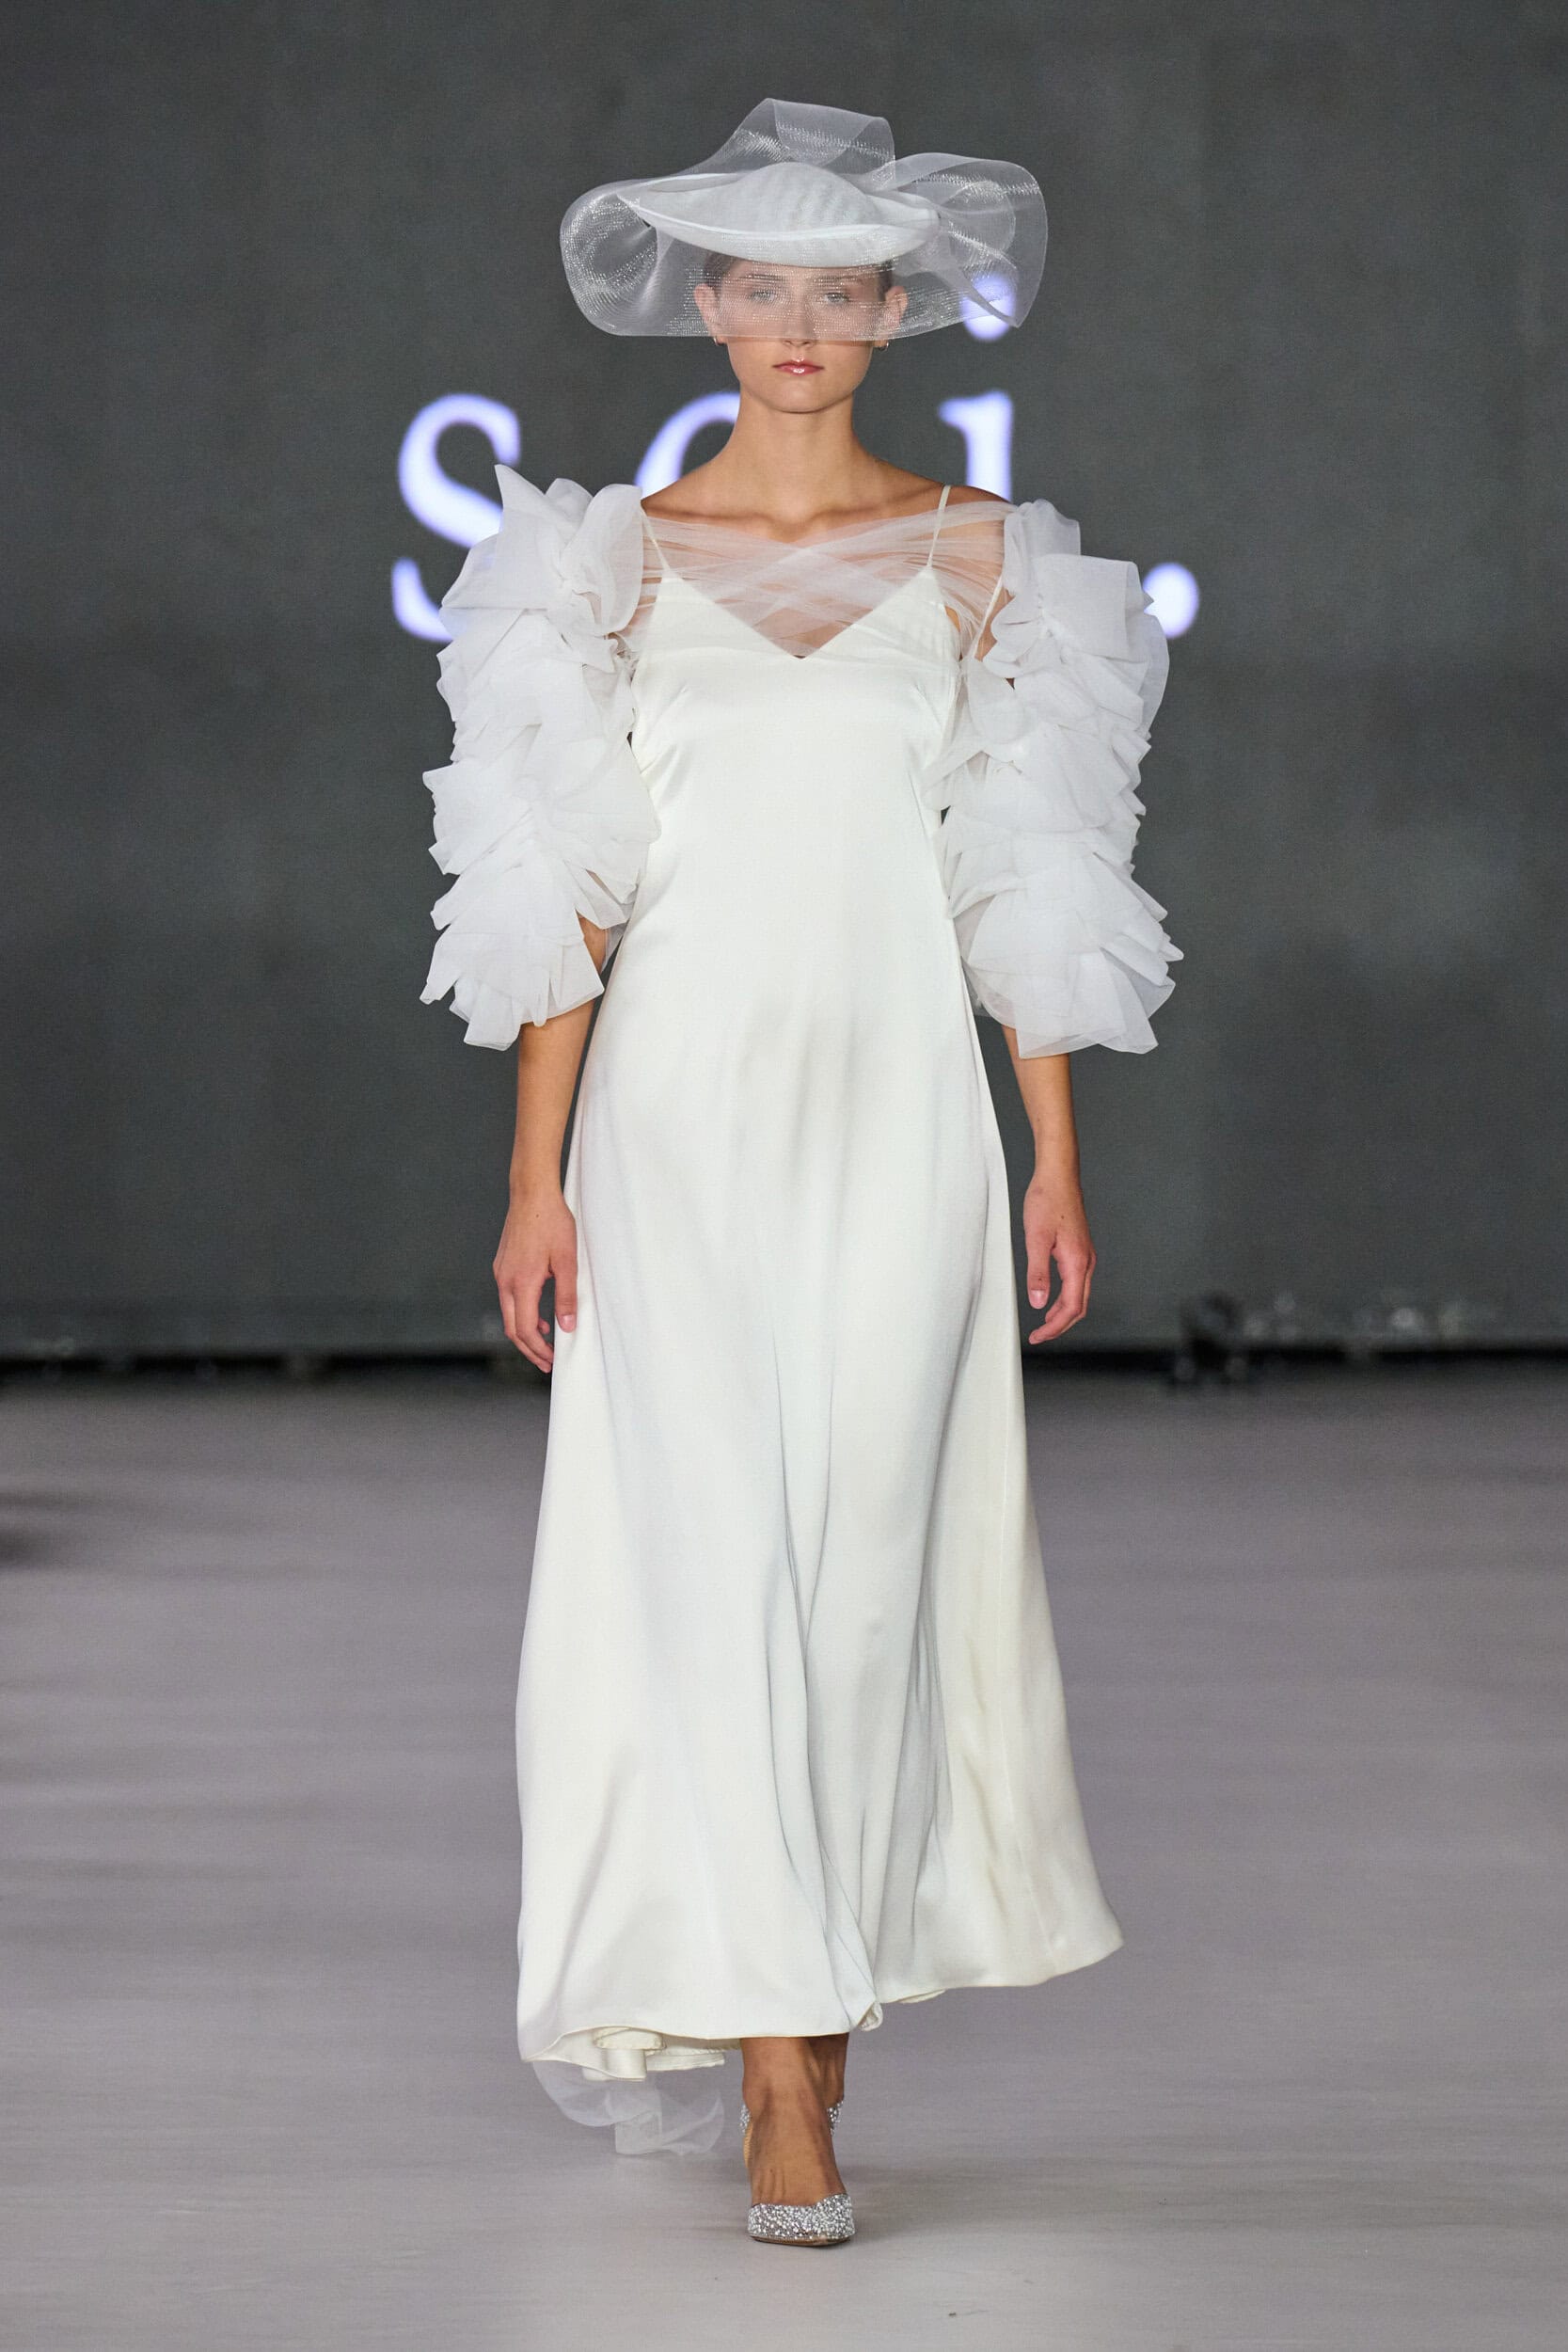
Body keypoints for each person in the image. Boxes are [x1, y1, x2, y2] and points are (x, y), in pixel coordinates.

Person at [420, 98, 1180, 2247]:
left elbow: (1027, 875)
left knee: (864, 1565)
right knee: (708, 1559)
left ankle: (821, 1989)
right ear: (707, 306)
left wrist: (1051, 1152)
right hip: (671, 1121)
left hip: (900, 1114)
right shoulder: (602, 567)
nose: (801, 325)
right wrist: (534, 1178)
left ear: (897, 313)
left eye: (843, 291)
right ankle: (776, 2064)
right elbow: (566, 896)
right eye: (762, 286)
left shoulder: (988, 556)